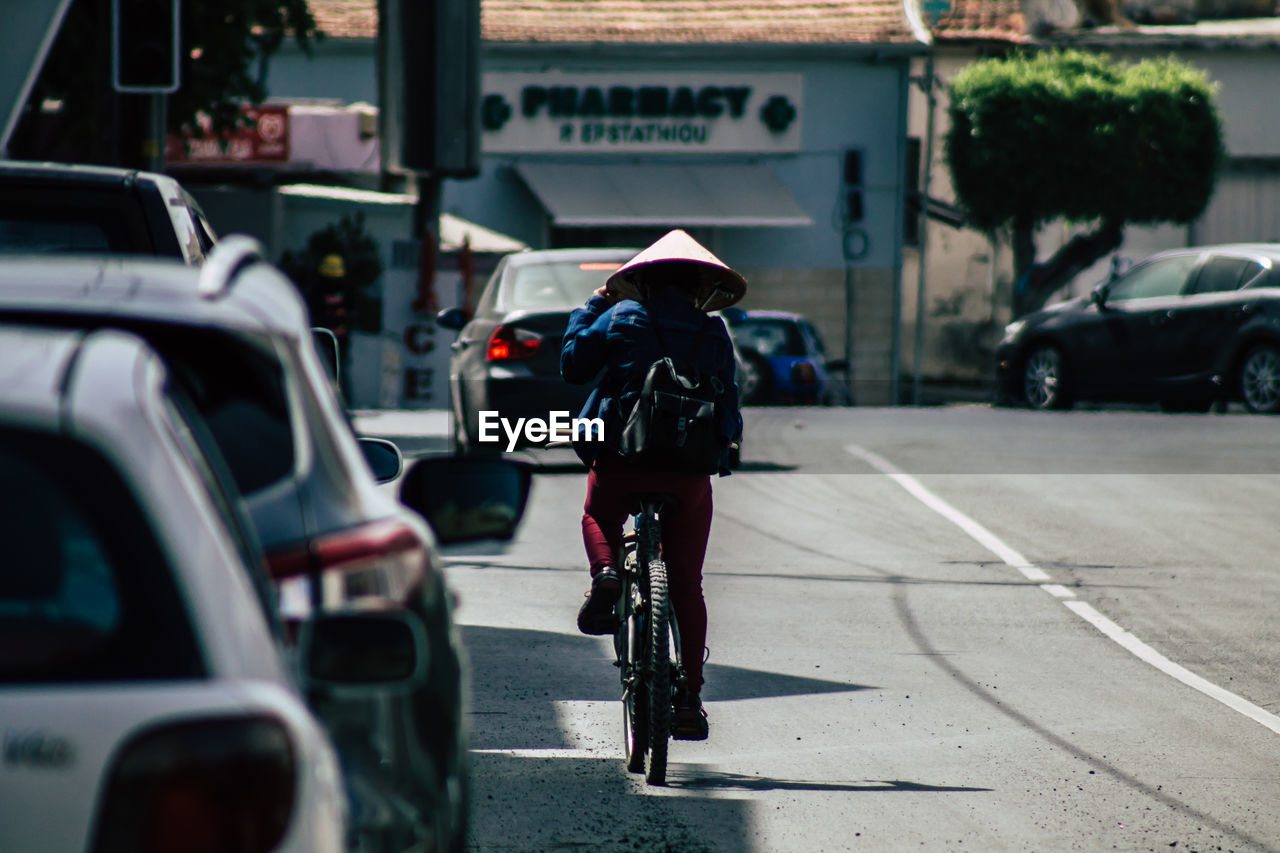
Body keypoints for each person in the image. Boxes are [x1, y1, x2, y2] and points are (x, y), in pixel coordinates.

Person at [560, 229, 745, 741]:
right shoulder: (714, 333)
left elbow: (573, 366)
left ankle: (605, 575)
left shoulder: (621, 318)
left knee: (598, 514)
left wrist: (591, 306)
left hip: (622, 461)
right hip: (688, 478)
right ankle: (689, 697)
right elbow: (729, 407)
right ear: (697, 287)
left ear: (642, 282)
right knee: (686, 584)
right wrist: (722, 454)